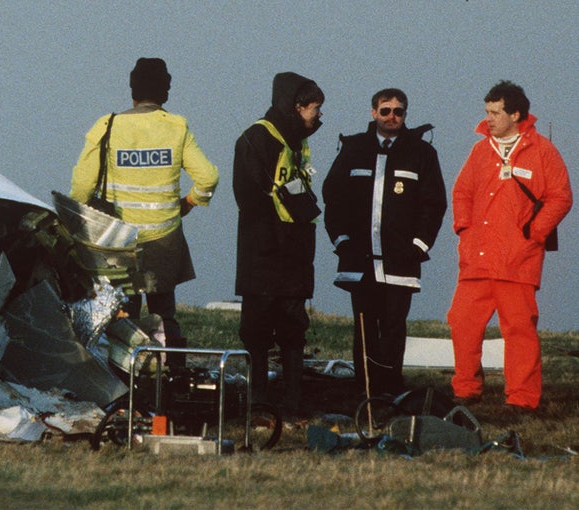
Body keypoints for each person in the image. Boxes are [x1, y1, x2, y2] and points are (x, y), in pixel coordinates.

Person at [70, 58, 218, 345]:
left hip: (119, 244)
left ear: (132, 91)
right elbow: (209, 178)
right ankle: (172, 371)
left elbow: (82, 188)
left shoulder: (108, 126)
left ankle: (129, 376)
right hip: (164, 241)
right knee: (164, 314)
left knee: (123, 315)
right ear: (166, 92)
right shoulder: (176, 127)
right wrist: (189, 201)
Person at [447, 80, 572, 412]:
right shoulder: (479, 151)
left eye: (495, 112)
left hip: (518, 260)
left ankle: (522, 397)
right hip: (478, 259)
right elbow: (461, 192)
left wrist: (534, 233)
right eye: (487, 112)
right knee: (462, 322)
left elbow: (561, 197)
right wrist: (465, 230)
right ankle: (466, 388)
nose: (488, 118)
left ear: (515, 114)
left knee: (519, 329)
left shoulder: (543, 151)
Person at [321, 88, 447, 398]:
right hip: (359, 259)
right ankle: (364, 388)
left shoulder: (422, 154)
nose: (392, 117)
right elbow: (333, 198)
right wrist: (342, 241)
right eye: (386, 110)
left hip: (400, 261)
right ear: (373, 112)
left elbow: (434, 204)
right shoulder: (353, 149)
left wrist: (418, 246)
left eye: (399, 111)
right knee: (364, 326)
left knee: (393, 325)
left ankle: (391, 388)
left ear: (406, 114)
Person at [233, 72, 324, 415]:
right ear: (296, 106)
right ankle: (259, 399)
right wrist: (273, 241)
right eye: (314, 109)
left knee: (294, 327)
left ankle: (293, 399)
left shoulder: (296, 142)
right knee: (256, 329)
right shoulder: (256, 139)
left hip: (295, 254)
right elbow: (249, 198)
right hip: (264, 254)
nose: (318, 116)